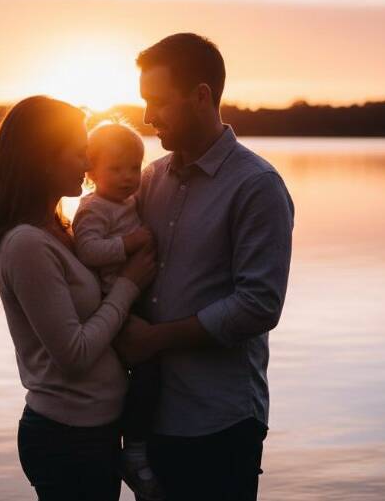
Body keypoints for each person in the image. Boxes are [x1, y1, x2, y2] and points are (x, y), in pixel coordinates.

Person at [114, 33, 295, 501]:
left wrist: (157, 338)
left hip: (222, 421)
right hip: (153, 419)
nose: (148, 117)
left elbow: (259, 305)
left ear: (201, 96)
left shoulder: (257, 186)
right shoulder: (149, 180)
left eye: (157, 102)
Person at [0, 96, 157, 501]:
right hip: (68, 438)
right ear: (43, 159)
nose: (87, 161)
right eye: (79, 152)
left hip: (92, 433)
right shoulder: (27, 245)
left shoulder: (59, 230)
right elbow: (73, 354)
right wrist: (129, 285)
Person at [71, 121, 165, 500]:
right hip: (116, 302)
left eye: (134, 167)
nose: (128, 177)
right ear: (91, 172)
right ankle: (135, 449)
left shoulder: (129, 201)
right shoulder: (92, 209)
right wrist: (129, 243)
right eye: (116, 169)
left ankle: (140, 441)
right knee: (146, 371)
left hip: (135, 296)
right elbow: (88, 250)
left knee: (152, 372)